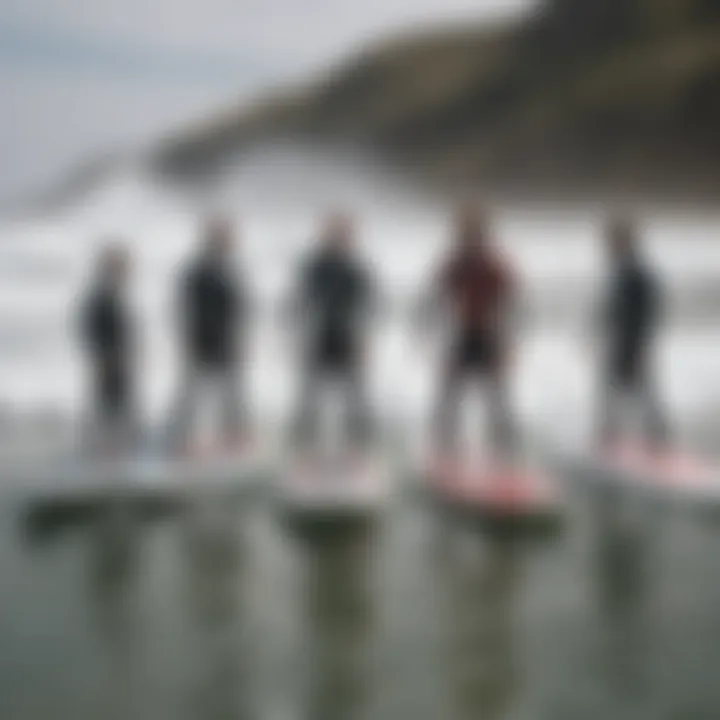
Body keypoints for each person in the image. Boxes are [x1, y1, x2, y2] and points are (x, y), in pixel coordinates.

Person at [428, 205, 518, 457]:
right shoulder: (452, 265)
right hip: (461, 336)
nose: (469, 238)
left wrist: (510, 344)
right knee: (450, 395)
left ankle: (505, 450)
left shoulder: (495, 267)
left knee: (496, 398)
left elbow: (512, 306)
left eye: (474, 233)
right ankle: (444, 446)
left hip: (488, 336)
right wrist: (434, 339)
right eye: (465, 233)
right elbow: (436, 303)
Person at [291, 212, 375, 450]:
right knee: (311, 396)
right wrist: (298, 336)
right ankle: (304, 444)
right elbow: (300, 302)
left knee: (354, 396)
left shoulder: (356, 270)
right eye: (336, 234)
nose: (341, 239)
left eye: (345, 235)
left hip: (346, 339)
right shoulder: (315, 267)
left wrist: (364, 342)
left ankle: (359, 445)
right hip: (320, 338)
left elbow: (367, 309)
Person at [169, 216, 249, 453]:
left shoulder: (228, 270)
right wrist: (189, 341)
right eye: (225, 238)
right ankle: (182, 438)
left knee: (230, 393)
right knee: (193, 394)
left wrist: (238, 338)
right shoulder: (198, 271)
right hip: (203, 342)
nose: (231, 243)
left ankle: (232, 437)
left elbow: (236, 308)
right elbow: (187, 308)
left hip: (224, 342)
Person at [598, 217, 669, 447]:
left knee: (640, 391)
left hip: (633, 341)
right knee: (614, 389)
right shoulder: (620, 270)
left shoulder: (637, 272)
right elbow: (611, 308)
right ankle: (612, 436)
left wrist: (641, 345)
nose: (608, 247)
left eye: (612, 241)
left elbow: (649, 310)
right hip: (621, 340)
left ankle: (655, 439)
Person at [79, 242, 137, 455]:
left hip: (118, 360)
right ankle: (105, 449)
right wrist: (106, 356)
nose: (128, 273)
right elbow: (92, 329)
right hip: (109, 361)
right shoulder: (101, 297)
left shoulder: (113, 295)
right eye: (123, 268)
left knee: (119, 403)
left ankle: (115, 447)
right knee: (109, 404)